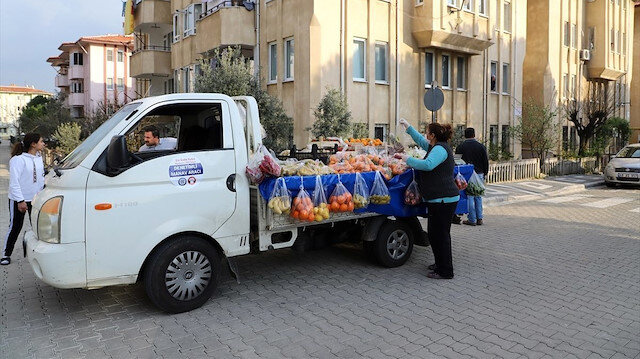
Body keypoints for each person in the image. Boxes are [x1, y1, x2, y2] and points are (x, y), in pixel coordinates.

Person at [396, 119, 459, 279]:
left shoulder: (440, 149)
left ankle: (446, 270)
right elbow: (420, 141)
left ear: (433, 135)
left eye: (427, 131)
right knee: (434, 234)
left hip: (444, 199)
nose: (425, 134)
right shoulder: (435, 146)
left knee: (441, 235)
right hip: (438, 199)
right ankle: (440, 263)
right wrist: (408, 126)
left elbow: (428, 165)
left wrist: (407, 159)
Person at [2, 133, 46, 265]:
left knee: (37, 226)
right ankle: (6, 254)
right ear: (33, 144)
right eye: (41, 141)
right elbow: (14, 183)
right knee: (15, 226)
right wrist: (20, 201)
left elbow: (40, 179)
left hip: (35, 199)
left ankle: (39, 254)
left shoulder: (39, 158)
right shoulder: (18, 160)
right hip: (18, 199)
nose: (43, 144)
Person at [455, 128, 489, 226]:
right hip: (479, 174)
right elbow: (485, 161)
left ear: (465, 135)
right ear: (474, 134)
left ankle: (472, 219)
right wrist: (485, 173)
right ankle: (479, 218)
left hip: (466, 174)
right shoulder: (481, 147)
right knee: (478, 196)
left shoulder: (460, 147)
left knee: (469, 196)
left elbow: (457, 161)